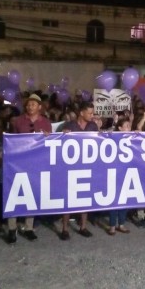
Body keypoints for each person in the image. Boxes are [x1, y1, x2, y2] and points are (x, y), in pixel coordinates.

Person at [7, 93, 51, 244]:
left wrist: (48, 137)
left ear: (39, 107)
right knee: (14, 194)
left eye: (33, 104)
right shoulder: (18, 121)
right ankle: (12, 228)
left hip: (36, 164)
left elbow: (50, 143)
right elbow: (11, 140)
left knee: (31, 195)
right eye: (28, 104)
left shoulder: (45, 122)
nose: (30, 106)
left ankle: (29, 227)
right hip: (18, 163)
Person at [59, 101, 98, 240]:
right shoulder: (70, 126)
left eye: (92, 113)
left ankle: (83, 227)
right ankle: (64, 229)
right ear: (81, 113)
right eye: (89, 113)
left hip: (87, 166)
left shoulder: (93, 126)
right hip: (71, 168)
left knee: (85, 197)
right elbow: (58, 143)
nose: (92, 115)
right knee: (69, 198)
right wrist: (63, 135)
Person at [107, 118, 132, 235]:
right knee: (114, 199)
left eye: (129, 125)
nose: (129, 128)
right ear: (120, 128)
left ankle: (121, 224)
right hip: (114, 172)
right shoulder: (114, 137)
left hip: (126, 172)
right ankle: (112, 225)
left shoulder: (133, 138)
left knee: (124, 199)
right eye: (126, 126)